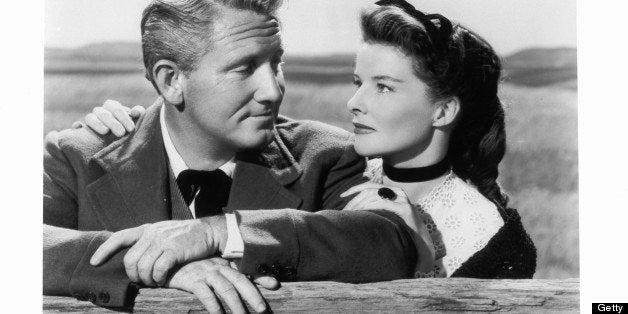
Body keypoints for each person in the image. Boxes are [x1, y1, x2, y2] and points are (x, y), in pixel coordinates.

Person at [88, 0, 536, 280]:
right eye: (356, 81)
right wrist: (138, 131)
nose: (354, 103)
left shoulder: (489, 232)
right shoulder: (335, 168)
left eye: (383, 86)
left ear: (443, 110)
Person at [43, 0, 422, 313]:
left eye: (277, 63)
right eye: (245, 68)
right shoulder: (77, 156)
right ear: (171, 80)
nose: (272, 90)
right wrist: (156, 265)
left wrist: (219, 232)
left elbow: (390, 242)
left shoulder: (325, 155)